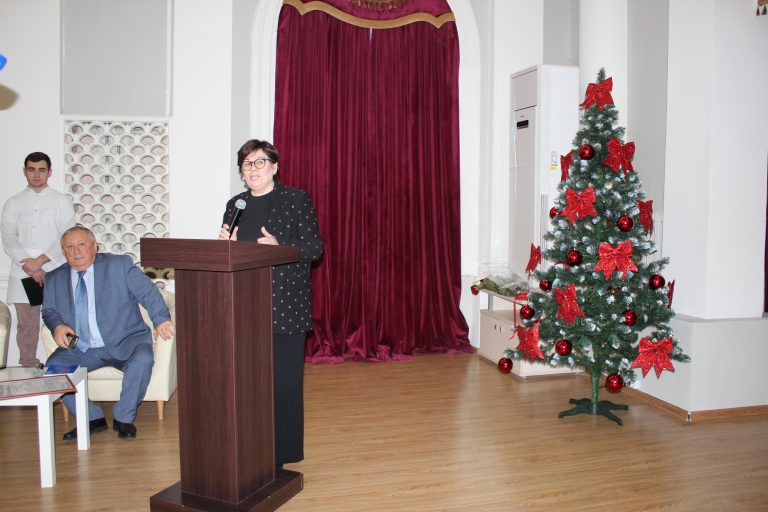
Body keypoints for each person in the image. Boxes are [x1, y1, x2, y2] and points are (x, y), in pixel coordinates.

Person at [219, 139, 323, 468]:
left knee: (283, 384)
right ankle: (252, 447)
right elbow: (230, 255)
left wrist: (280, 245)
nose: (253, 169)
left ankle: (281, 453)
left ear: (275, 167)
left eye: (260, 162)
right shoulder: (235, 205)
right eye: (247, 163)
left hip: (285, 306)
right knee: (249, 383)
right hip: (244, 306)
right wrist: (226, 246)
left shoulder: (295, 199)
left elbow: (314, 248)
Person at [42, 226, 175, 440]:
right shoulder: (53, 278)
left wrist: (160, 319)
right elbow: (48, 310)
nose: (76, 251)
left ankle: (124, 418)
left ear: (94, 247)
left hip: (126, 339)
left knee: (143, 358)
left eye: (82, 244)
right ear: (63, 252)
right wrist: (57, 326)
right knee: (53, 372)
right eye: (69, 246)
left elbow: (148, 292)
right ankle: (91, 419)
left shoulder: (119, 265)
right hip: (81, 348)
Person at [1, 152, 75, 368]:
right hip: (23, 271)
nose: (36, 175)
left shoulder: (61, 201)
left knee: (66, 319)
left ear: (49, 172)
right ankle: (29, 367)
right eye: (31, 170)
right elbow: (8, 238)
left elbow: (66, 235)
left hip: (55, 269)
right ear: (24, 171)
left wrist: (41, 261)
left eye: (41, 170)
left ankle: (68, 364)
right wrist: (30, 265)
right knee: (27, 325)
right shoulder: (13, 203)